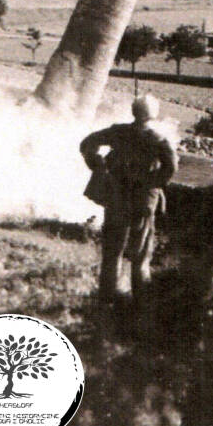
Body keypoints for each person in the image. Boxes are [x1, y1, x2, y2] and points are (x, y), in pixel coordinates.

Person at [80, 93, 176, 303]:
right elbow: (170, 168)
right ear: (153, 115)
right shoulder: (158, 140)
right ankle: (140, 302)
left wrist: (98, 165)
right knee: (141, 255)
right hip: (143, 201)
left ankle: (107, 299)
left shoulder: (118, 132)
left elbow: (87, 144)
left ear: (134, 112)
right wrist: (151, 182)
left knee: (112, 252)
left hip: (117, 196)